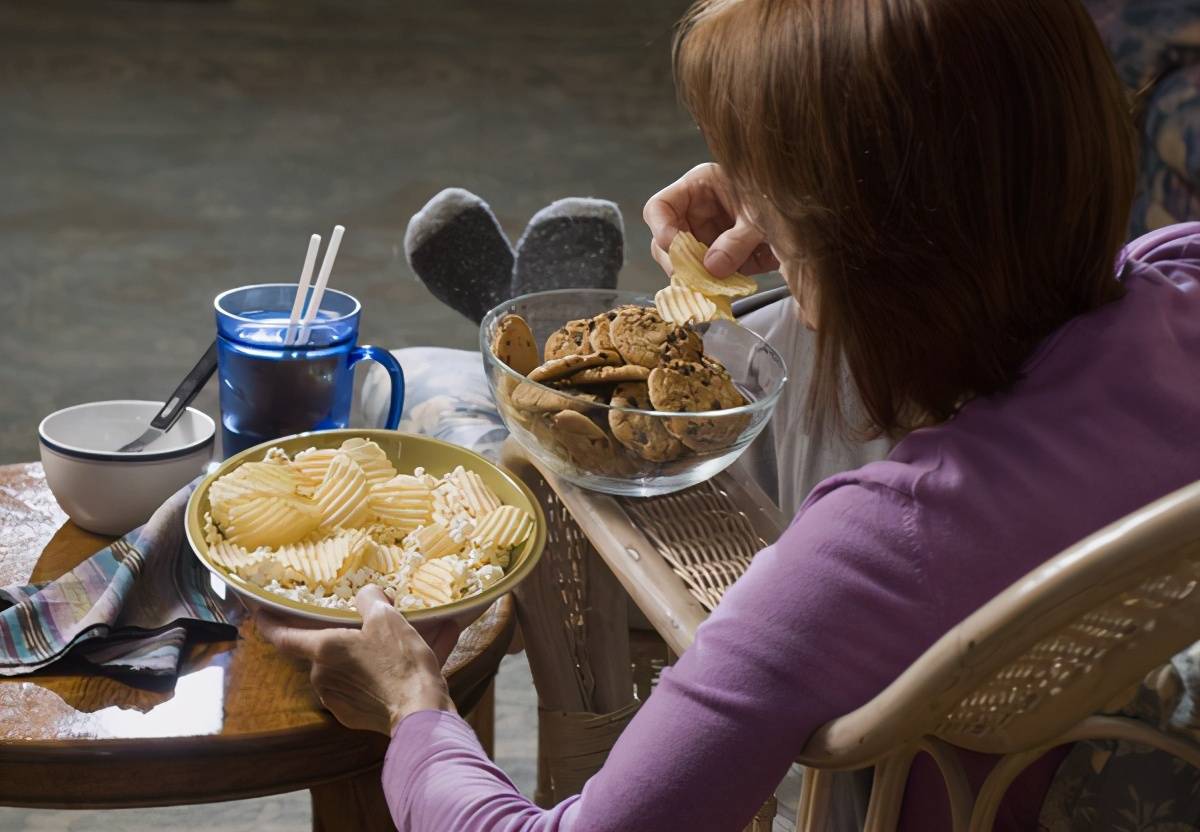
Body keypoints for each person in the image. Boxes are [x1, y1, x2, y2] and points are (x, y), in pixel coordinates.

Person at [258, 1, 1200, 829]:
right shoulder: (1180, 275)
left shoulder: (870, 551)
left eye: (782, 208)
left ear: (855, 247)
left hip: (881, 784)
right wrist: (781, 190)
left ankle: (491, 375)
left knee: (442, 394)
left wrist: (414, 706)